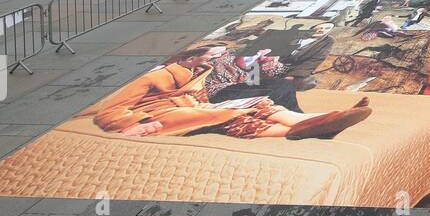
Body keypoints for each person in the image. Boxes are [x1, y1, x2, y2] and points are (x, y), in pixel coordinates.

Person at [85, 45, 369, 140]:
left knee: (260, 101)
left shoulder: (199, 73)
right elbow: (111, 109)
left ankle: (327, 119)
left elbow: (207, 94)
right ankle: (297, 131)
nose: (218, 58)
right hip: (160, 115)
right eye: (213, 54)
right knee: (229, 115)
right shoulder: (156, 76)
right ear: (191, 57)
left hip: (194, 106)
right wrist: (131, 125)